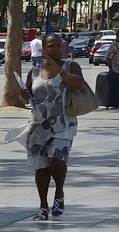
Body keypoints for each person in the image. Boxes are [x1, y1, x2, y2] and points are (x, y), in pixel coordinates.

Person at [26, 34, 93, 220]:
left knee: (55, 160)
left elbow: (78, 84)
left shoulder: (71, 66)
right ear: (44, 49)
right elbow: (27, 94)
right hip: (39, 125)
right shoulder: (34, 70)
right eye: (51, 46)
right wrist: (23, 96)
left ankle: (59, 193)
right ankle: (42, 206)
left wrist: (61, 72)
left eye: (58, 45)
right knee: (41, 167)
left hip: (64, 123)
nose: (55, 49)